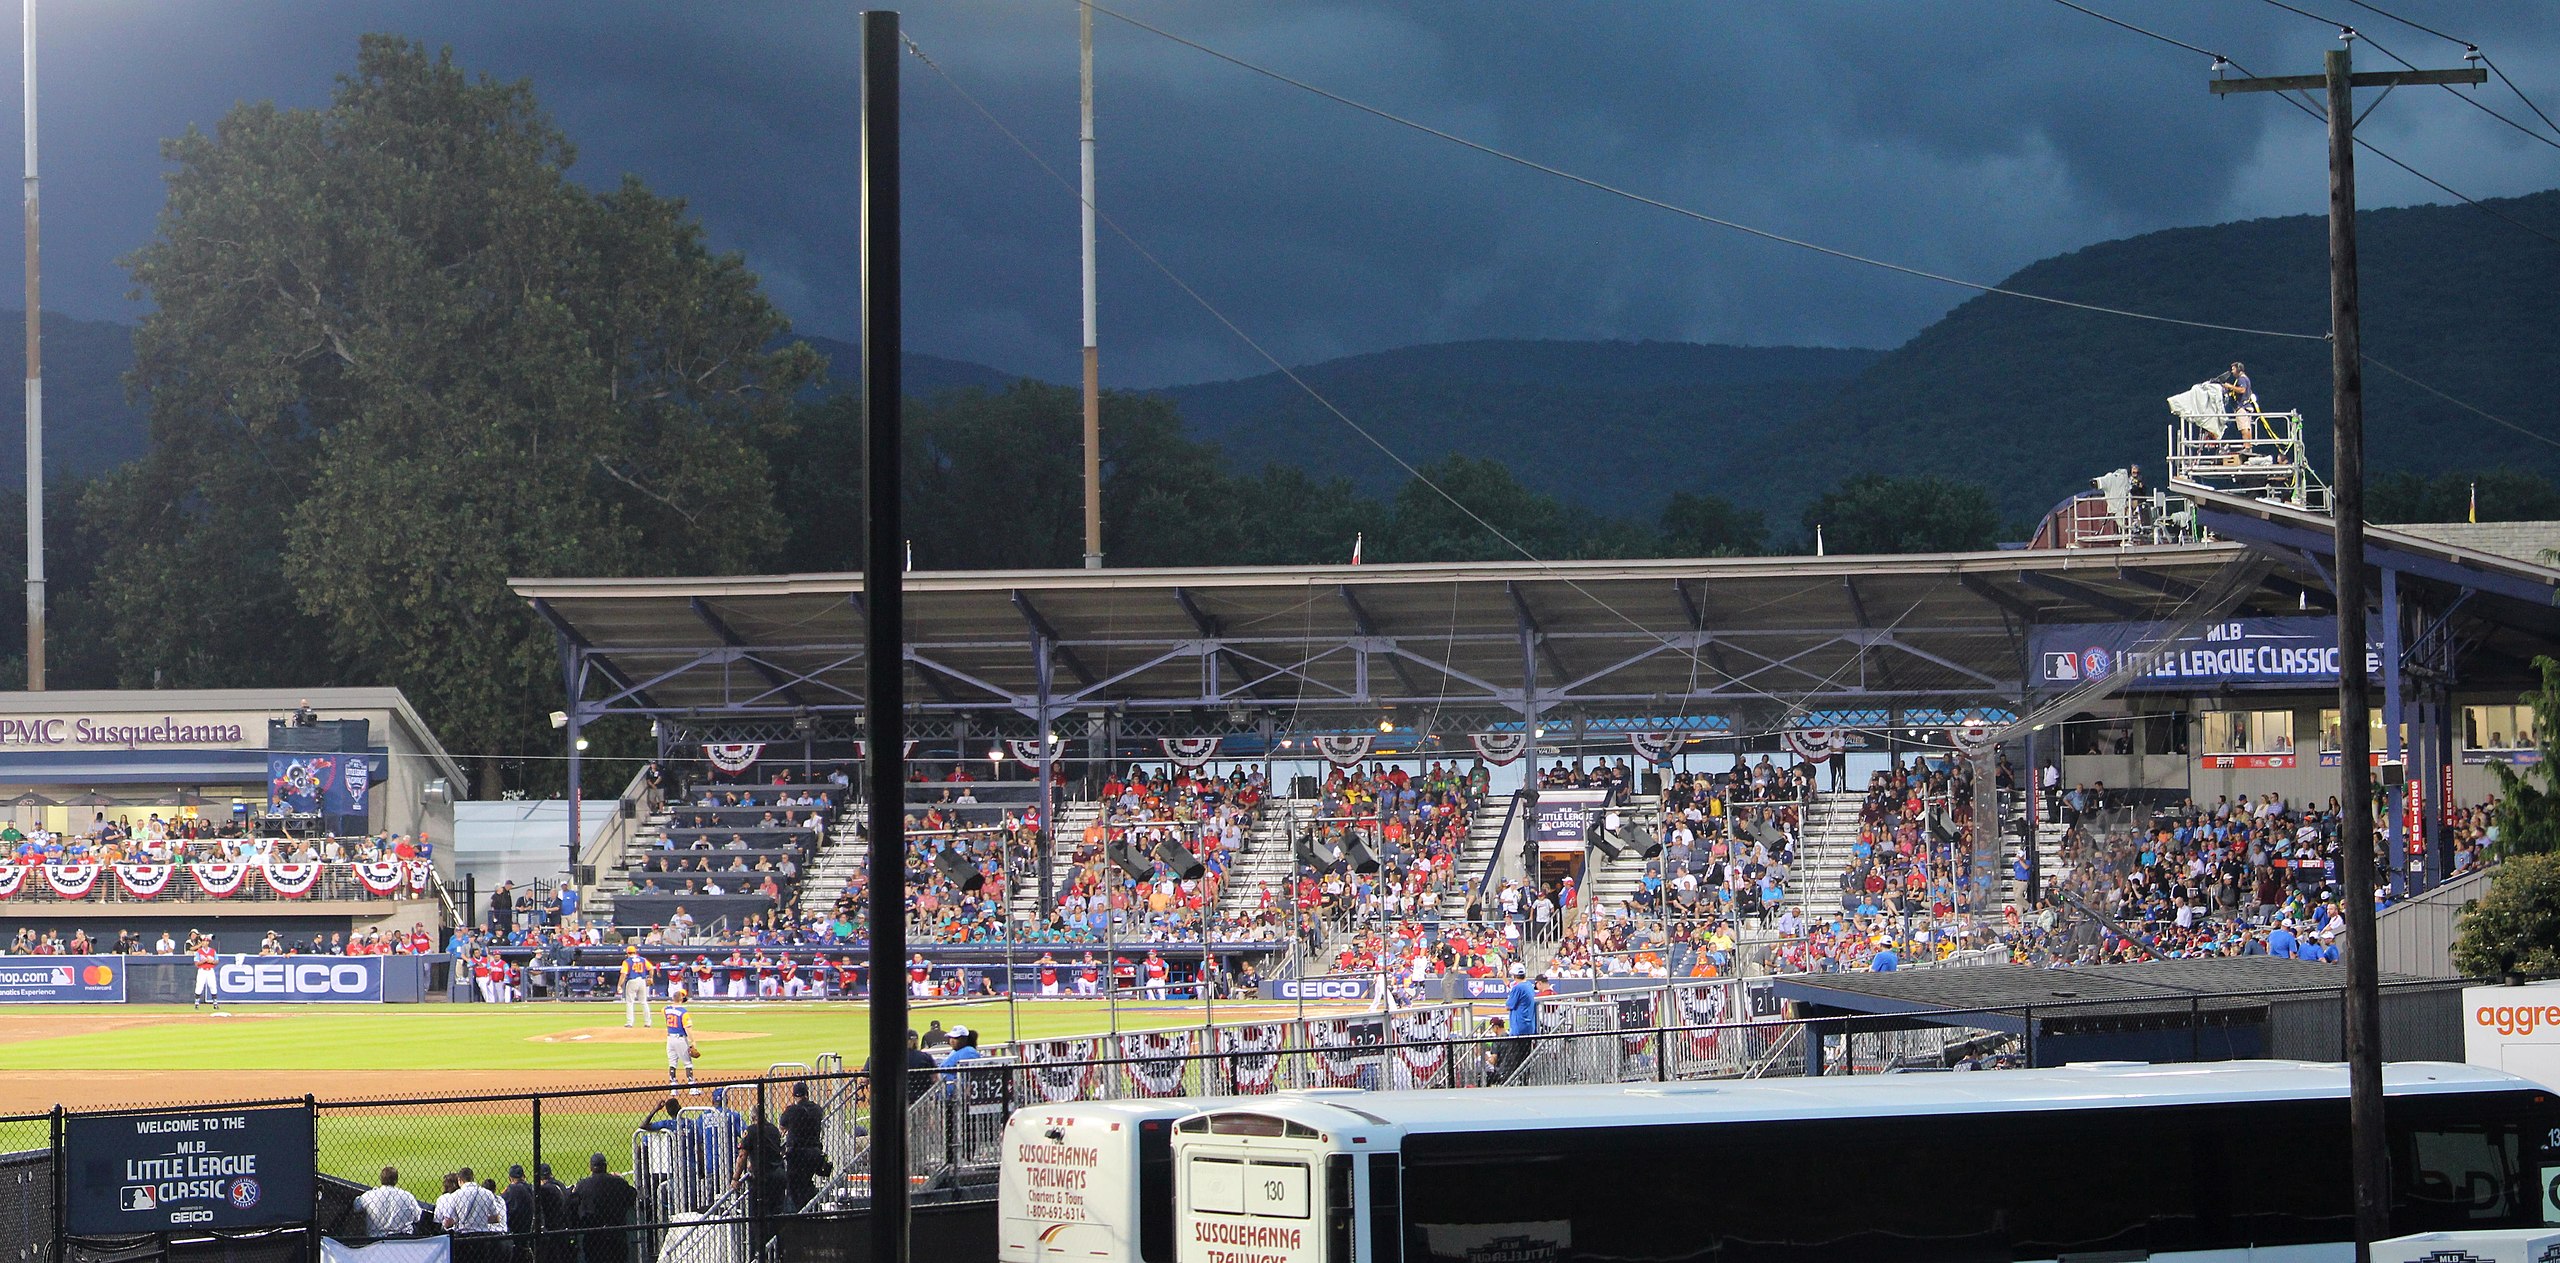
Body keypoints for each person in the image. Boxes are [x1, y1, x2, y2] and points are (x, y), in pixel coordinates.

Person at [572, 1153, 637, 1263]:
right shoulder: (618, 1183)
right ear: (605, 1166)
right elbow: (632, 1196)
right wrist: (619, 1179)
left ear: (591, 1167)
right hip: (616, 1234)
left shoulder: (583, 1184)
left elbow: (572, 1205)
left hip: (593, 1236)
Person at [780, 1081, 829, 1209]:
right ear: (807, 1094)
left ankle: (803, 1214)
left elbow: (782, 1125)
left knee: (794, 1187)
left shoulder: (792, 1110)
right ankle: (814, 1209)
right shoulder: (817, 1109)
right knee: (806, 1183)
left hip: (797, 1154)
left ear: (795, 1096)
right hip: (814, 1152)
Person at [355, 1166, 424, 1238]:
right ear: (396, 1180)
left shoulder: (370, 1195)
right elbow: (418, 1216)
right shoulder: (407, 1196)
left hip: (376, 1239)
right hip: (403, 1239)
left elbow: (356, 1206)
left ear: (381, 1179)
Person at [664, 986, 701, 1094]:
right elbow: (687, 1028)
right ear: (681, 999)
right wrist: (692, 1041)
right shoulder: (683, 1012)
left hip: (670, 1038)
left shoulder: (666, 1009)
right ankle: (692, 1087)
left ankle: (673, 1088)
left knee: (672, 1062)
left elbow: (667, 1010)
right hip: (680, 1039)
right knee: (687, 1063)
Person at [502, 1165, 537, 1263]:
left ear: (510, 1178)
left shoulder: (511, 1190)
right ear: (524, 1176)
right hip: (533, 1232)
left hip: (516, 1236)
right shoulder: (532, 1188)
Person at [619, 948, 654, 1028]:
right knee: (644, 1002)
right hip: (642, 981)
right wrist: (651, 978)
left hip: (632, 981)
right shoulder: (643, 959)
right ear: (635, 952)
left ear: (628, 953)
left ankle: (630, 1023)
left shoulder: (627, 961)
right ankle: (648, 1022)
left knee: (630, 1002)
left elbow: (623, 974)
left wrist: (619, 985)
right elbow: (651, 968)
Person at [192, 933, 222, 1012]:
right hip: (202, 970)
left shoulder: (212, 951)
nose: (205, 943)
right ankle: (196, 1004)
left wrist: (212, 961)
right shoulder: (199, 952)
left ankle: (215, 1004)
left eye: (206, 941)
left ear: (208, 942)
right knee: (199, 986)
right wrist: (203, 961)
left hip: (210, 970)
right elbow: (196, 963)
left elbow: (217, 961)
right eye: (203, 941)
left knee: (213, 986)